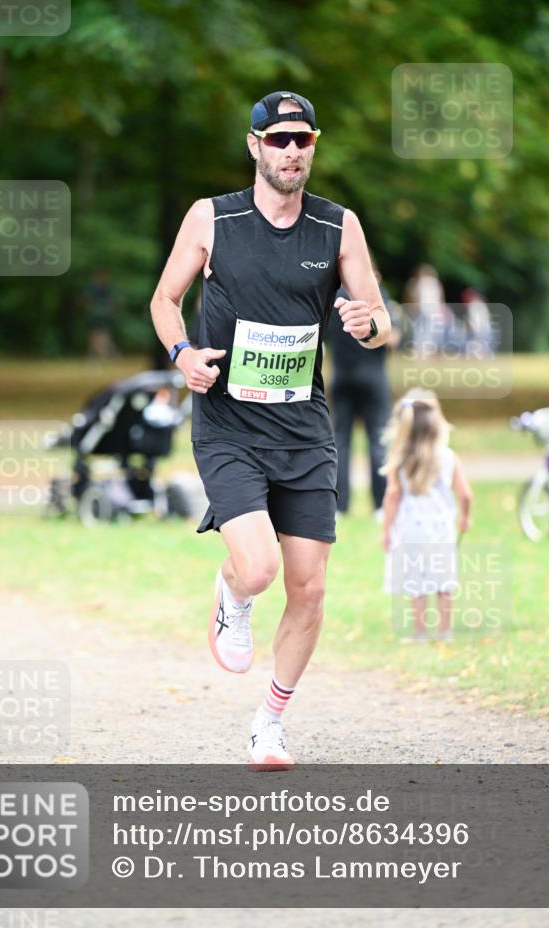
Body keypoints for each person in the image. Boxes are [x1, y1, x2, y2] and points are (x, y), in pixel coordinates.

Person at [150, 90, 391, 769]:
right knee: (258, 569)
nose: (291, 151)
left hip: (304, 428)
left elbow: (380, 321)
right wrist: (182, 354)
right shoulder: (212, 218)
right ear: (254, 145)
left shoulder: (337, 225)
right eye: (278, 139)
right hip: (228, 423)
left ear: (313, 147)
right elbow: (164, 299)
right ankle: (232, 593)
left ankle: (270, 722)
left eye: (302, 140)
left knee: (309, 588)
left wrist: (368, 324)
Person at [380, 389, 472, 643]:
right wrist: (465, 517)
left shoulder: (401, 459)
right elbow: (465, 494)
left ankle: (420, 633)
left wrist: (386, 530)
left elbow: (392, 497)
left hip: (411, 529)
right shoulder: (449, 457)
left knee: (416, 582)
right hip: (442, 528)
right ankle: (444, 632)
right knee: (444, 581)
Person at [327, 271, 399, 517]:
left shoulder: (333, 294)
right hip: (373, 376)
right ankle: (380, 505)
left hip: (341, 375)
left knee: (340, 442)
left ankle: (339, 506)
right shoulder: (375, 294)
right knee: (378, 439)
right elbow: (393, 337)